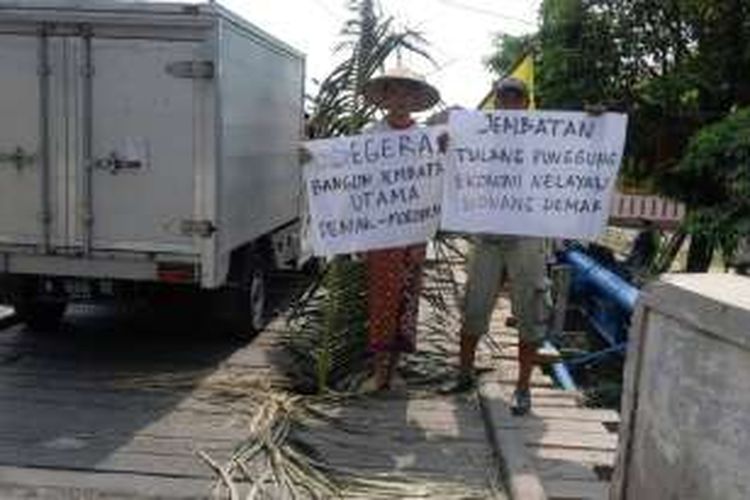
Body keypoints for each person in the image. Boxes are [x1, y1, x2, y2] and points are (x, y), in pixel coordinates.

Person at [446, 77, 556, 415]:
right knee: (474, 307)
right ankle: (464, 373)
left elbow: (580, 152)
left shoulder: (546, 136)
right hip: (488, 235)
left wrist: (597, 124)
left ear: (526, 103)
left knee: (530, 313)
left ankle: (523, 387)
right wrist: (447, 130)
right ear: (495, 102)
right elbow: (449, 148)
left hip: (528, 236)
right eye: (503, 97)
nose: (509, 102)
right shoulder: (478, 135)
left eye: (516, 97)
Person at [360, 67, 442, 391]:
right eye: (395, 92)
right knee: (382, 301)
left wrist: (445, 148)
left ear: (416, 100)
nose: (401, 100)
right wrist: (315, 158)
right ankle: (380, 372)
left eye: (408, 94)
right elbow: (348, 173)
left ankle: (392, 371)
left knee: (407, 302)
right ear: (385, 98)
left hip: (413, 235)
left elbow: (441, 173)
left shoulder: (426, 139)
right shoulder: (370, 137)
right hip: (381, 235)